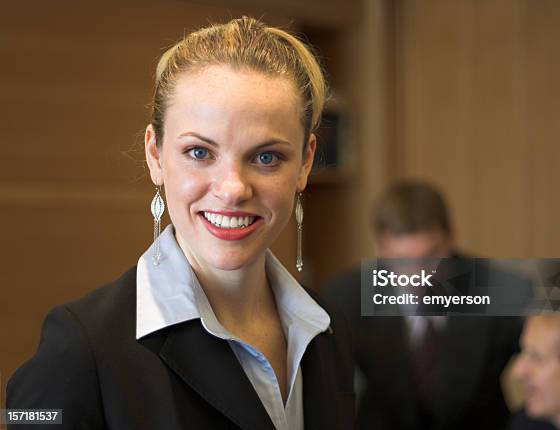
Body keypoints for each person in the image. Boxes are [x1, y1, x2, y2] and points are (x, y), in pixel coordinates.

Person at [7, 17, 354, 430]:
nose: (232, 189)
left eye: (266, 157)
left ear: (306, 162)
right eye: (199, 152)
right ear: (155, 155)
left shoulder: (327, 329)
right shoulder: (79, 349)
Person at [324, 180, 525, 429]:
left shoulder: (501, 291)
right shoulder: (346, 296)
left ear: (451, 237)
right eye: (401, 261)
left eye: (430, 257)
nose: (417, 275)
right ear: (380, 249)